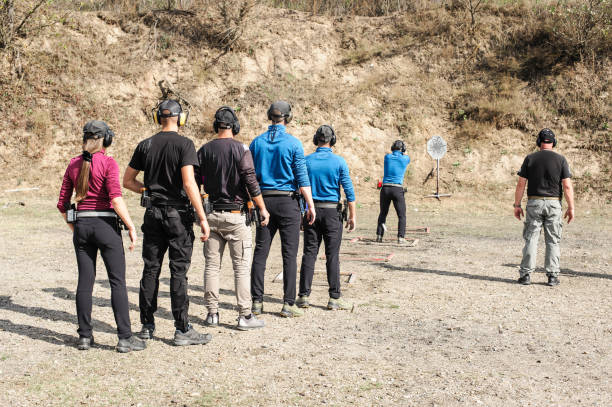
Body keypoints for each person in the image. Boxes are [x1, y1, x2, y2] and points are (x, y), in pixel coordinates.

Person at [123, 99, 211, 346]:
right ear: (181, 119)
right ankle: (182, 329)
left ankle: (147, 326)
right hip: (178, 216)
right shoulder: (185, 144)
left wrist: (148, 191)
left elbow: (128, 181)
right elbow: (188, 183)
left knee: (150, 269)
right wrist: (202, 217)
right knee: (178, 272)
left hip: (152, 214)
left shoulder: (145, 145)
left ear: (157, 118)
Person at [57, 120, 146, 353]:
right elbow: (116, 199)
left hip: (82, 225)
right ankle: (124, 338)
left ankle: (84, 337)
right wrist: (131, 227)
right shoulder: (108, 162)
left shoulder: (73, 164)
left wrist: (74, 228)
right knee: (117, 282)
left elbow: (62, 203)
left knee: (85, 282)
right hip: (106, 225)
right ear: (106, 140)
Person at [196, 106, 270, 330]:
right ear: (235, 126)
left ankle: (212, 314)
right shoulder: (242, 149)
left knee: (211, 266)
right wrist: (262, 208)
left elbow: (195, 181)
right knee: (240, 267)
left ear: (215, 126)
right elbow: (250, 180)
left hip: (211, 215)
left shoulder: (204, 149)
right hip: (236, 215)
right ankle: (244, 316)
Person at [249, 101, 316, 318]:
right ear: (288, 118)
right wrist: (310, 205)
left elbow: (249, 176)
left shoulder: (256, 143)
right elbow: (302, 179)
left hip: (263, 202)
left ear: (270, 117)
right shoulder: (294, 144)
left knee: (261, 252)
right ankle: (288, 303)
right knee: (289, 254)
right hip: (288, 203)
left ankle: (257, 302)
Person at [297, 125, 356, 311]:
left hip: (310, 211)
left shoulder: (306, 161)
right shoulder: (339, 162)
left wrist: (301, 212)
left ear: (316, 140)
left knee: (309, 254)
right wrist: (353, 215)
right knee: (332, 256)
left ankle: (303, 296)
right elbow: (349, 191)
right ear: (333, 140)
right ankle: (334, 298)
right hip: (332, 213)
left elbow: (299, 189)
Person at [514, 128, 575, 286]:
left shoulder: (530, 158)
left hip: (534, 203)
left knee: (531, 240)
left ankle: (526, 275)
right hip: (554, 203)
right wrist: (571, 207)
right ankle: (552, 276)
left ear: (538, 142)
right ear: (554, 142)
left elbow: (521, 184)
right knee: (553, 241)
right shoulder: (561, 160)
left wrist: (517, 204)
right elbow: (567, 186)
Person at [376, 140, 411, 244]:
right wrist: (404, 152)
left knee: (383, 213)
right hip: (397, 189)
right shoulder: (405, 159)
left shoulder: (387, 157)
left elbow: (392, 156)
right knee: (401, 215)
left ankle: (379, 236)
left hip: (385, 188)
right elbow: (406, 156)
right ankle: (401, 237)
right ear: (402, 149)